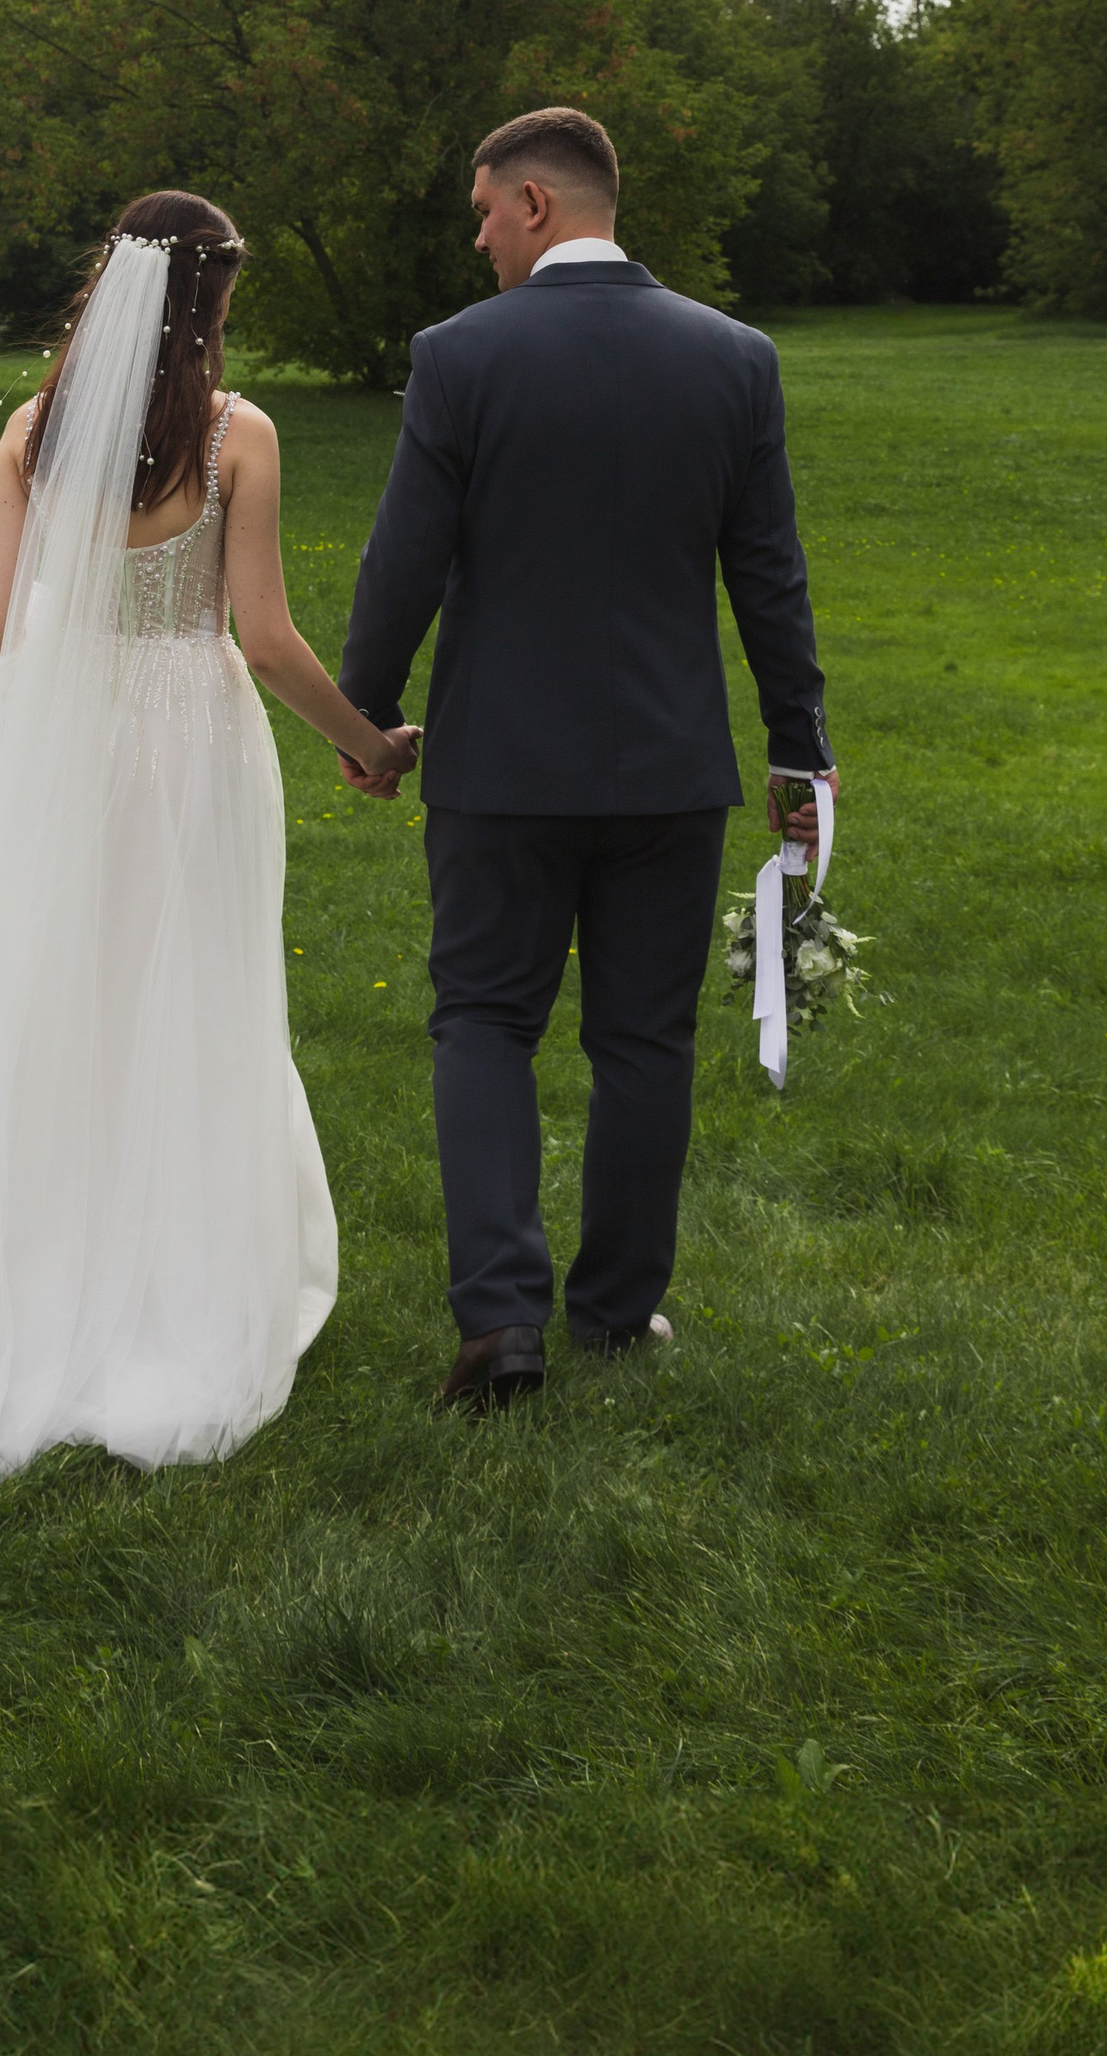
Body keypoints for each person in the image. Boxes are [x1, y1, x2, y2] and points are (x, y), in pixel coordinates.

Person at [0, 193, 418, 1511]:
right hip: (190, 741)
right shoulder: (238, 438)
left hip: (63, 742)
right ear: (214, 297)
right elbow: (266, 638)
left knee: (57, 999)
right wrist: (370, 743)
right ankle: (169, 1288)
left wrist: (87, 620)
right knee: (181, 998)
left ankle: (33, 1276)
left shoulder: (32, 433)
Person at [338, 108, 835, 1407]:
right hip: (671, 767)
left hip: (500, 768)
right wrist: (801, 752)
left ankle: (502, 1324)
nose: (481, 242)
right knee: (645, 1040)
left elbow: (404, 561)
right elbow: (769, 574)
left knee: (485, 1020)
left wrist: (364, 719)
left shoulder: (461, 356)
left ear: (536, 204)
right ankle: (616, 1314)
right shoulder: (735, 359)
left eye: (484, 215)